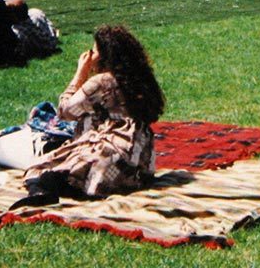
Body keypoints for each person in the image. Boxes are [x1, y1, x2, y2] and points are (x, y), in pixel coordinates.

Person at [19, 25, 164, 206]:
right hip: (141, 159)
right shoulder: (140, 79)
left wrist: (80, 73)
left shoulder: (102, 82)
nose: (90, 56)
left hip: (111, 149)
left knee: (42, 169)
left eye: (94, 51)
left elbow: (65, 112)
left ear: (105, 55)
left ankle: (44, 190)